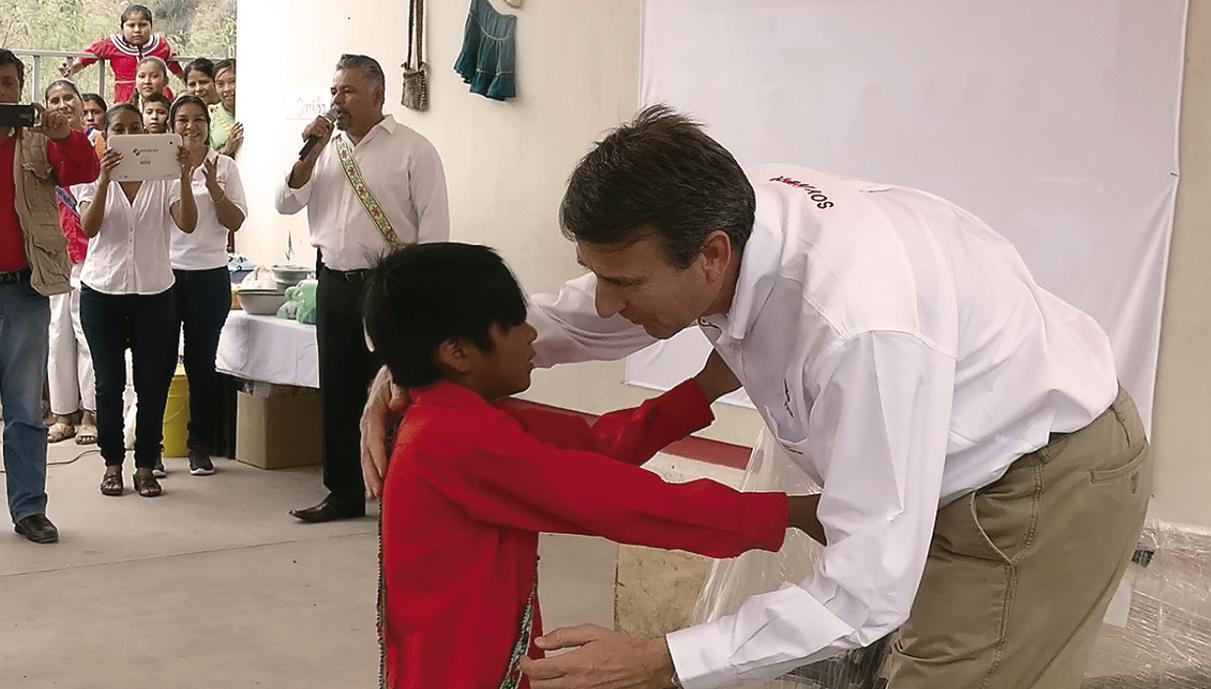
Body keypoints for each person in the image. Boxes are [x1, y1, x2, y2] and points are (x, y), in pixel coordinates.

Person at [361, 105, 1154, 689]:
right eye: (597, 273)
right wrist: (407, 360)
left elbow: (865, 588)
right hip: (925, 470)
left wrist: (664, 658)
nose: (602, 304)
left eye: (622, 282)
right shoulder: (732, 217)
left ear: (711, 257)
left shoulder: (858, 328)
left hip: (1033, 483)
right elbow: (574, 373)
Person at [366, 242, 822, 689]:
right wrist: (787, 513)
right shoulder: (457, 441)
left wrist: (703, 387)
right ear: (457, 353)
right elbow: (616, 500)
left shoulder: (456, 417)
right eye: (514, 325)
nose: (531, 336)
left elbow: (594, 447)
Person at [276, 54, 448, 523]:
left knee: (393, 389)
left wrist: (422, 295)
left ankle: (400, 491)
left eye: (348, 91)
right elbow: (285, 202)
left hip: (389, 287)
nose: (337, 101)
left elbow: (434, 230)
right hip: (333, 281)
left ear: (377, 95)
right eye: (333, 91)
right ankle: (343, 492)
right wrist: (307, 154)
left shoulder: (414, 150)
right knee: (337, 386)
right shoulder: (325, 150)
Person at [0, 50, 100, 544]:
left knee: (23, 407)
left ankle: (29, 509)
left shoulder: (39, 139)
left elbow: (84, 169)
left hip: (24, 288)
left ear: (20, 88)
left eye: (7, 82)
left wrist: (63, 133)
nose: (0, 92)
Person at [79, 103, 196, 499]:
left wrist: (183, 176)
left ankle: (146, 464)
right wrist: (104, 180)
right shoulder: (93, 175)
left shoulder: (162, 176)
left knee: (152, 384)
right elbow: (89, 228)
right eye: (120, 130)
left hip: (154, 294)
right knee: (109, 385)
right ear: (107, 135)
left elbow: (188, 222)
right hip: (102, 293)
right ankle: (112, 463)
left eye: (135, 129)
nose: (128, 137)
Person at [165, 94, 246, 475]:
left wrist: (214, 187)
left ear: (208, 126)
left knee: (202, 362)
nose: (191, 127)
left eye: (198, 119)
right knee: (159, 361)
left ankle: (200, 445)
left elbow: (235, 222)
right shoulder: (161, 165)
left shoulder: (224, 165)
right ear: (171, 125)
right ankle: (155, 446)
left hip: (210, 275)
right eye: (183, 120)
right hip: (163, 276)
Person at [43, 79, 100, 447]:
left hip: (93, 255)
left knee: (87, 337)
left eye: (69, 99)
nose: (62, 105)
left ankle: (91, 414)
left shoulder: (100, 145)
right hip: (54, 255)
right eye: (55, 100)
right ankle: (63, 412)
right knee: (56, 335)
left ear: (82, 107)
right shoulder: (43, 146)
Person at [61, 4, 182, 104]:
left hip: (159, 96)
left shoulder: (160, 43)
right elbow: (91, 53)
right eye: (131, 25)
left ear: (151, 26)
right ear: (122, 28)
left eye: (143, 25)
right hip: (126, 98)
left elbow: (171, 62)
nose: (137, 30)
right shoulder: (112, 44)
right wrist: (73, 67)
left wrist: (184, 79)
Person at [209, 59, 243, 158]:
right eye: (220, 84)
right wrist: (226, 149)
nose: (227, 89)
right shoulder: (210, 115)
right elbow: (202, 160)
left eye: (233, 82)